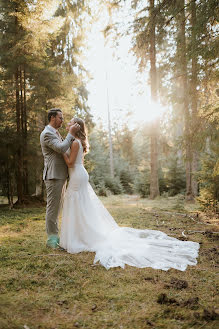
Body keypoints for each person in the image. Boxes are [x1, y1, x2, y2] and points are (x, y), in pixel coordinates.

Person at [60, 117, 200, 270]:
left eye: (70, 122)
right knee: (82, 205)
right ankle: (81, 235)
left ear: (76, 126)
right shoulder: (77, 141)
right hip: (79, 174)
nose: (67, 124)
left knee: (77, 203)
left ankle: (81, 238)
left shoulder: (74, 142)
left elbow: (69, 163)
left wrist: (61, 152)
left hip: (77, 174)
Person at [40, 108, 80, 249]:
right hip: (53, 175)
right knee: (53, 208)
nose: (62, 120)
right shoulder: (47, 134)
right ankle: (52, 239)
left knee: (57, 208)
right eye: (60, 118)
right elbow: (62, 148)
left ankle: (56, 237)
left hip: (60, 175)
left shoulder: (55, 132)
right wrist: (71, 133)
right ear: (52, 118)